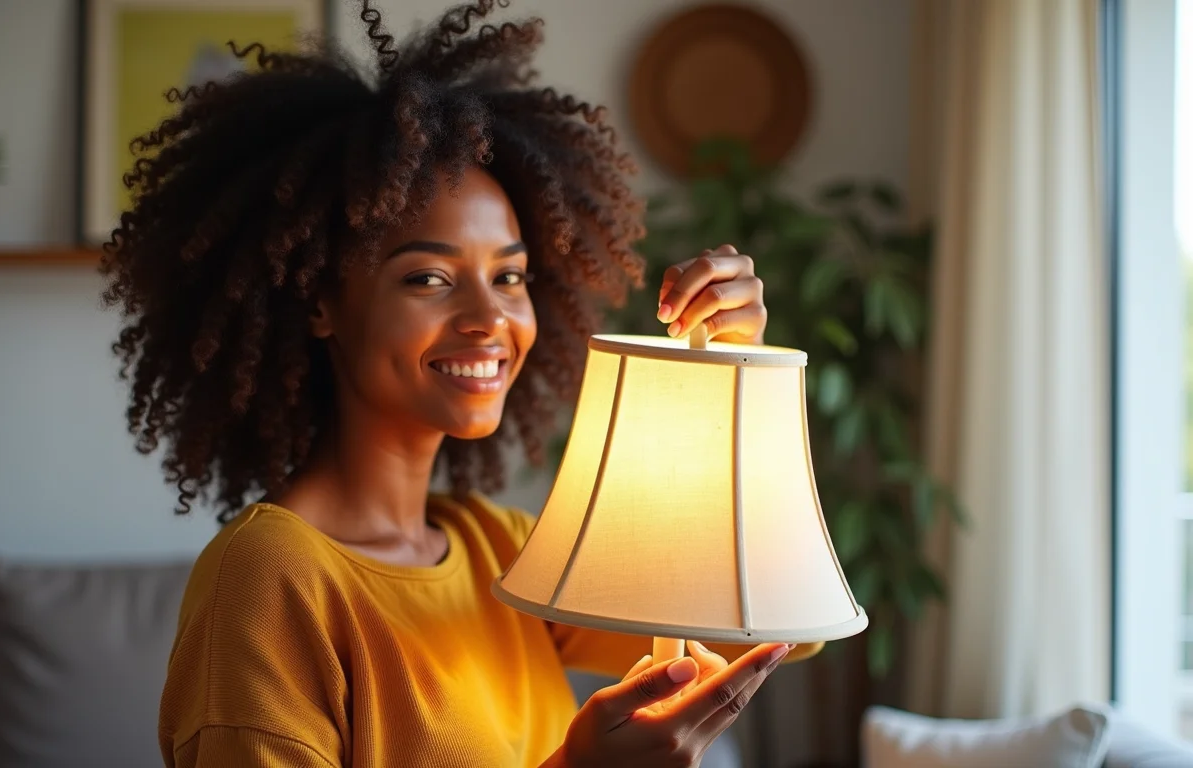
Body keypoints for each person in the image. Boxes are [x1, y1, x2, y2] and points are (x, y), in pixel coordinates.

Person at [102, 2, 821, 765]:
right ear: (318, 300)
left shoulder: (499, 550)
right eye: (430, 277)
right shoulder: (269, 579)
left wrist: (739, 372)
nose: (489, 317)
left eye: (509, 275)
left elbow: (782, 619)